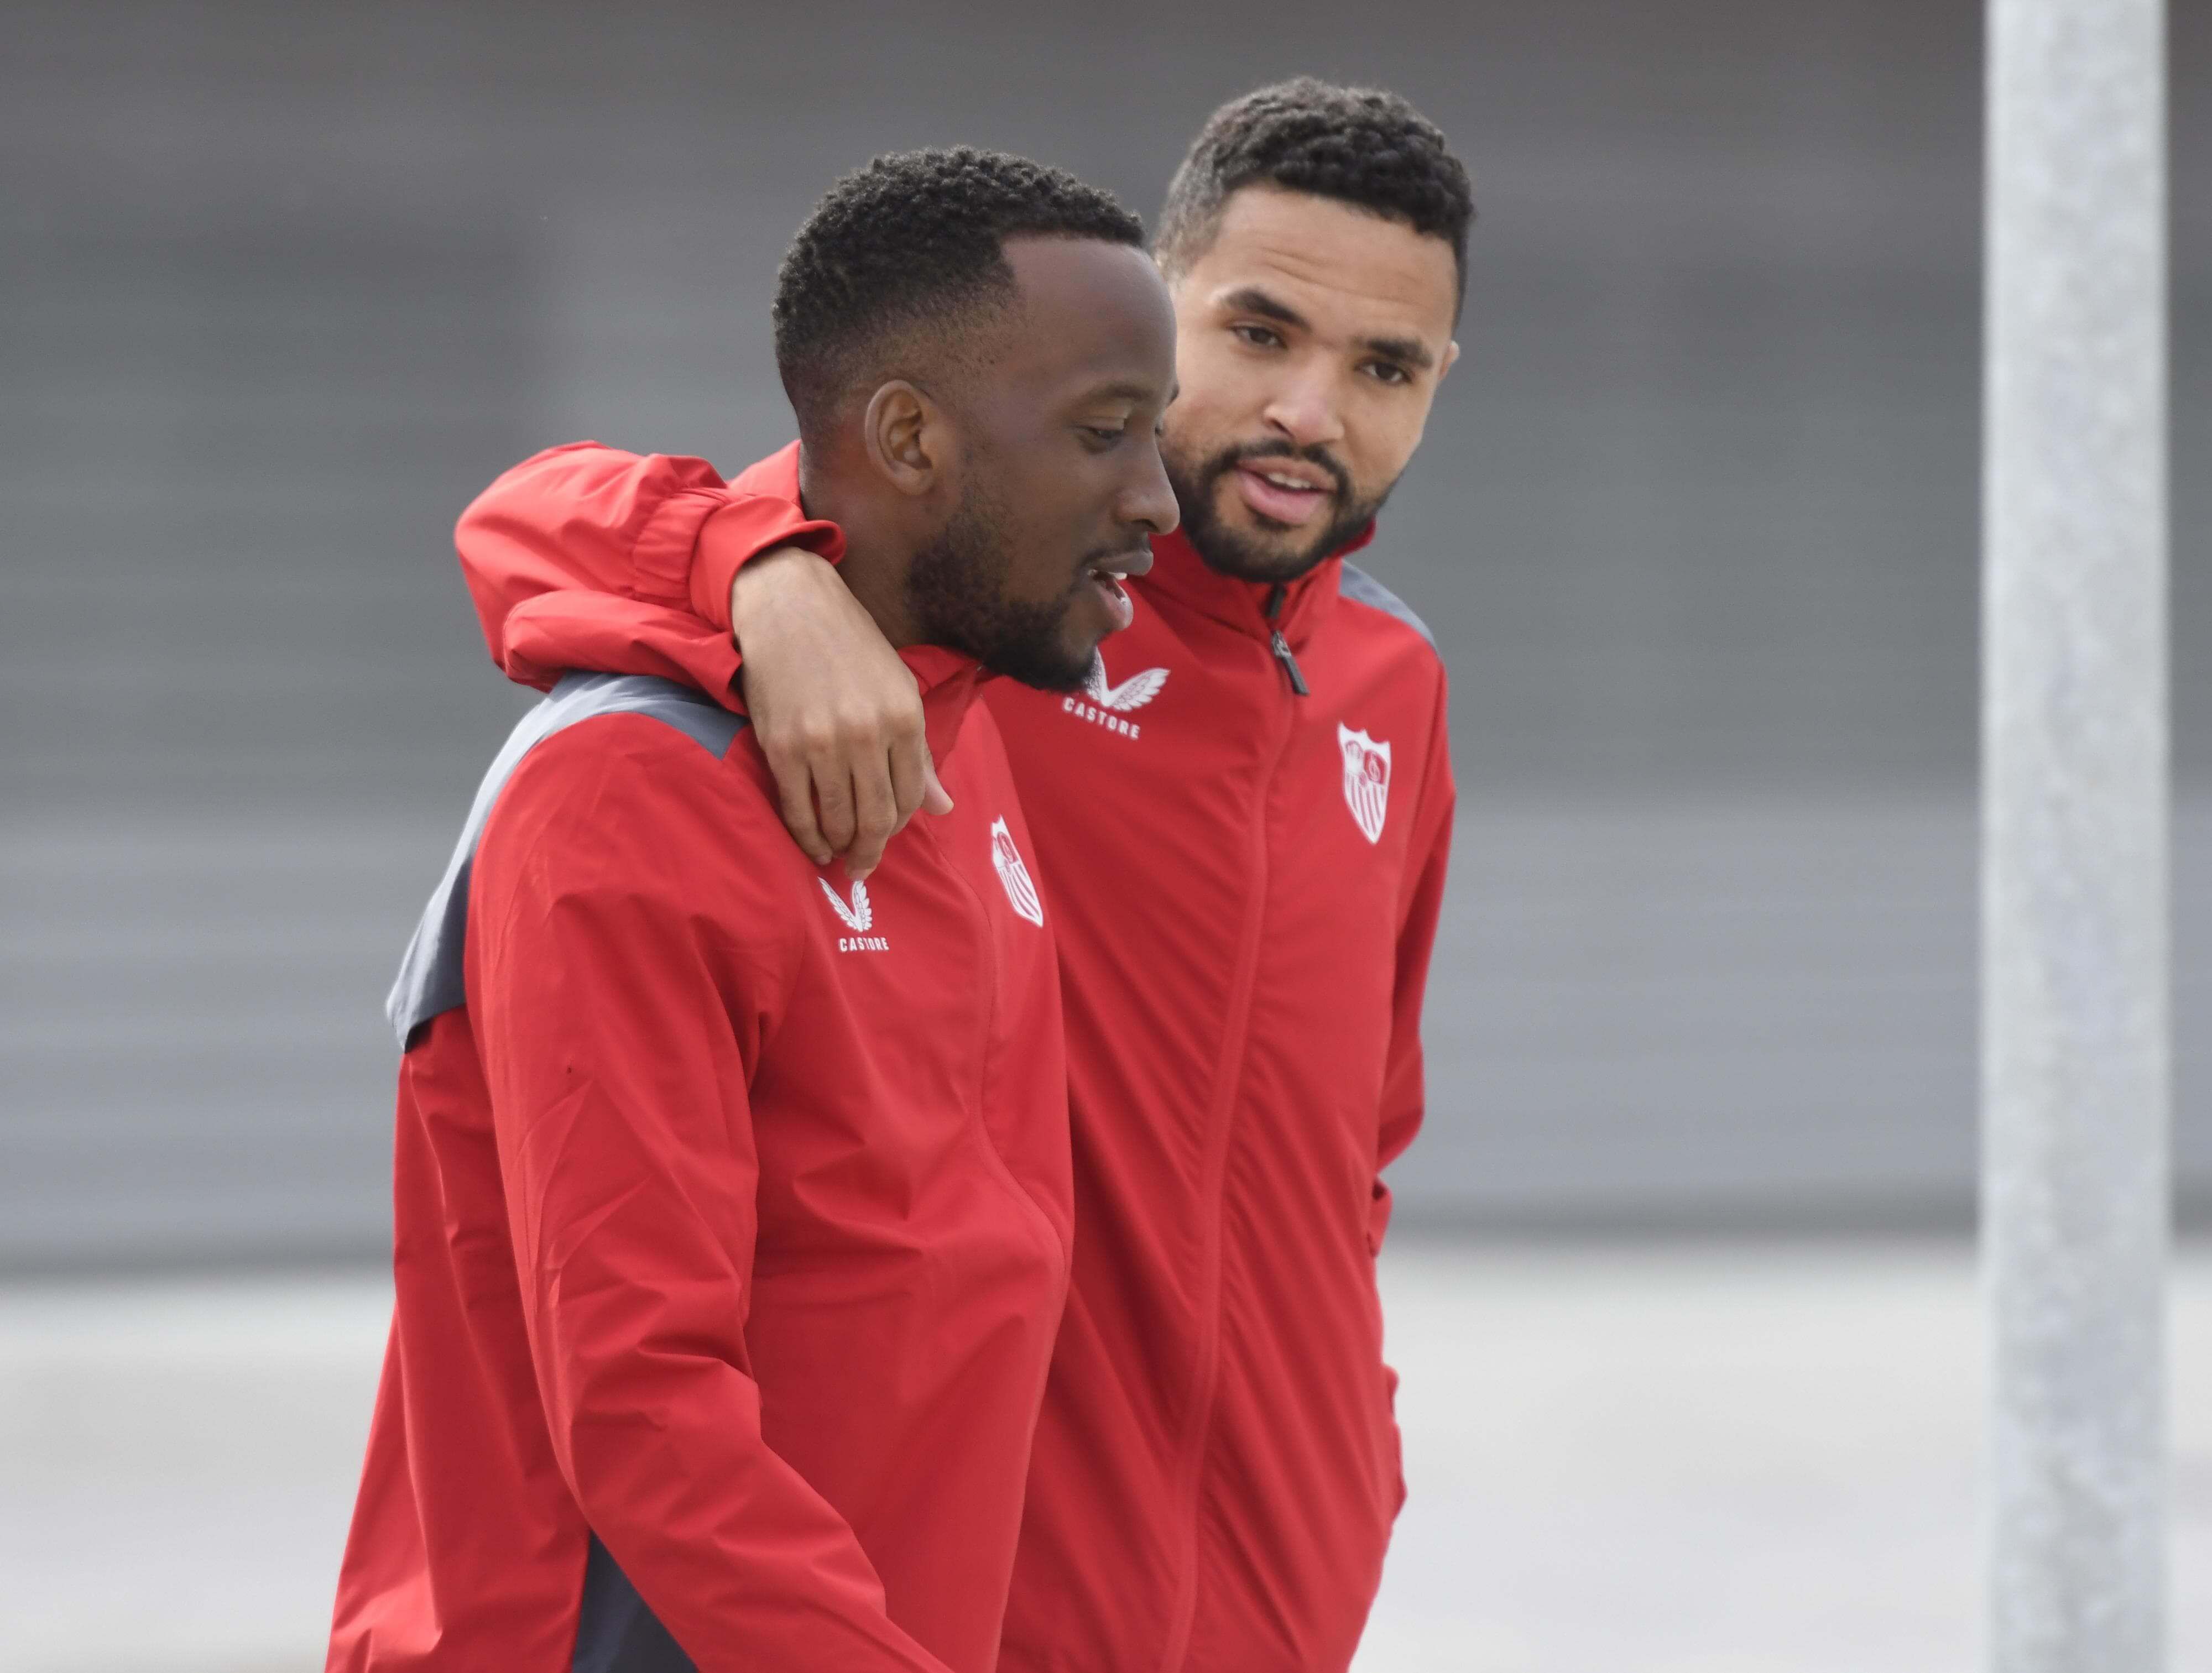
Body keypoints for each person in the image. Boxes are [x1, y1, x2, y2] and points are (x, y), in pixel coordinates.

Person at [450, 79, 1469, 1672]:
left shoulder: (1397, 687)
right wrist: (755, 576)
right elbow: (528, 520)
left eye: (1387, 368)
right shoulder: (1000, 618)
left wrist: (1356, 1468)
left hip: (1280, 1604)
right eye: (1260, 336)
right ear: (1161, 306)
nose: (1312, 411)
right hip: (976, 1608)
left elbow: (1363, 1153)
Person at [326, 148, 1178, 1673]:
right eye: (1105, 433)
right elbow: (647, 1412)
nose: (1155, 499)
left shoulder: (962, 742)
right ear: (910, 437)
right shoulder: (630, 794)